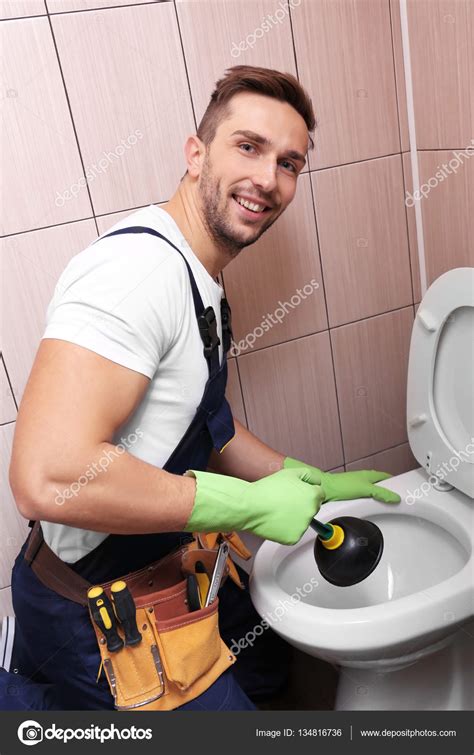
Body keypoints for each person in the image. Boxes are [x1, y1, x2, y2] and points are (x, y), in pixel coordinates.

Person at [3, 65, 400, 711]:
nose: (268, 180)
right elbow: (46, 477)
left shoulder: (198, 275)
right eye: (248, 146)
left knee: (268, 664)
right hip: (100, 611)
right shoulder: (135, 273)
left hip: (172, 568)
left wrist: (309, 480)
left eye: (289, 163)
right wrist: (241, 506)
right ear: (195, 153)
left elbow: (204, 419)